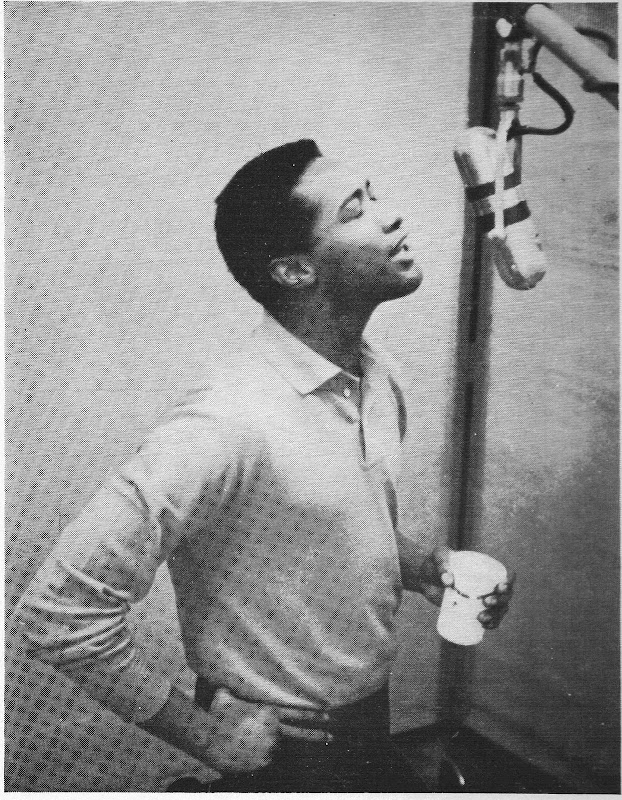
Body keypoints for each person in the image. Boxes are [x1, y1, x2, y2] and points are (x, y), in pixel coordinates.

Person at [13, 139, 513, 792]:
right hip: (288, 761)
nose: (390, 216)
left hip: (370, 730)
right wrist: (204, 734)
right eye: (355, 210)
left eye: (374, 195)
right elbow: (57, 612)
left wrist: (429, 566)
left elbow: (329, 523)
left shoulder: (376, 374)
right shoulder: (227, 422)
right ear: (295, 270)